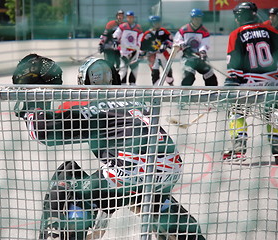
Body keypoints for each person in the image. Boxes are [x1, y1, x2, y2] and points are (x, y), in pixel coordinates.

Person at [13, 54, 205, 239]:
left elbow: (44, 133)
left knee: (68, 174)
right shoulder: (135, 99)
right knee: (143, 195)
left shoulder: (85, 101)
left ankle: (63, 232)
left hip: (127, 170)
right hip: (169, 169)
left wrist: (32, 106)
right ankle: (180, 227)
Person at [223, 2, 278, 163]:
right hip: (271, 84)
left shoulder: (236, 34)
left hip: (248, 86)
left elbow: (235, 67)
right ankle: (277, 149)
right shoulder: (272, 31)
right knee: (273, 115)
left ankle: (239, 149)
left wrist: (230, 83)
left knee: (236, 112)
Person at [173, 8, 218, 86]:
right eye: (196, 18)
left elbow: (204, 43)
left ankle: (212, 94)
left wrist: (203, 52)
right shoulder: (184, 29)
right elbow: (177, 40)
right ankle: (184, 95)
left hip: (200, 57)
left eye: (200, 18)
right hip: (188, 58)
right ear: (192, 18)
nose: (198, 20)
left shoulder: (204, 31)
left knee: (210, 76)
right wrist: (184, 46)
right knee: (188, 77)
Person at [141, 15, 174, 86]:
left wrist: (165, 43)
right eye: (155, 22)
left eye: (158, 22)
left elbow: (171, 41)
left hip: (163, 55)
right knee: (155, 72)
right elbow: (142, 46)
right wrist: (143, 53)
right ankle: (156, 88)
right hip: (152, 56)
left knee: (168, 71)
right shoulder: (147, 34)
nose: (157, 24)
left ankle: (170, 83)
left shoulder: (163, 31)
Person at [113, 11, 143, 85]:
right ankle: (123, 84)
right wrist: (115, 40)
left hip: (134, 52)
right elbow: (116, 35)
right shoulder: (122, 27)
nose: (130, 18)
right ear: (126, 18)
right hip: (124, 51)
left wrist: (140, 49)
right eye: (128, 17)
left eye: (131, 17)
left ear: (133, 18)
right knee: (123, 68)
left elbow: (141, 39)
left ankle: (132, 83)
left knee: (134, 69)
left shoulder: (138, 27)